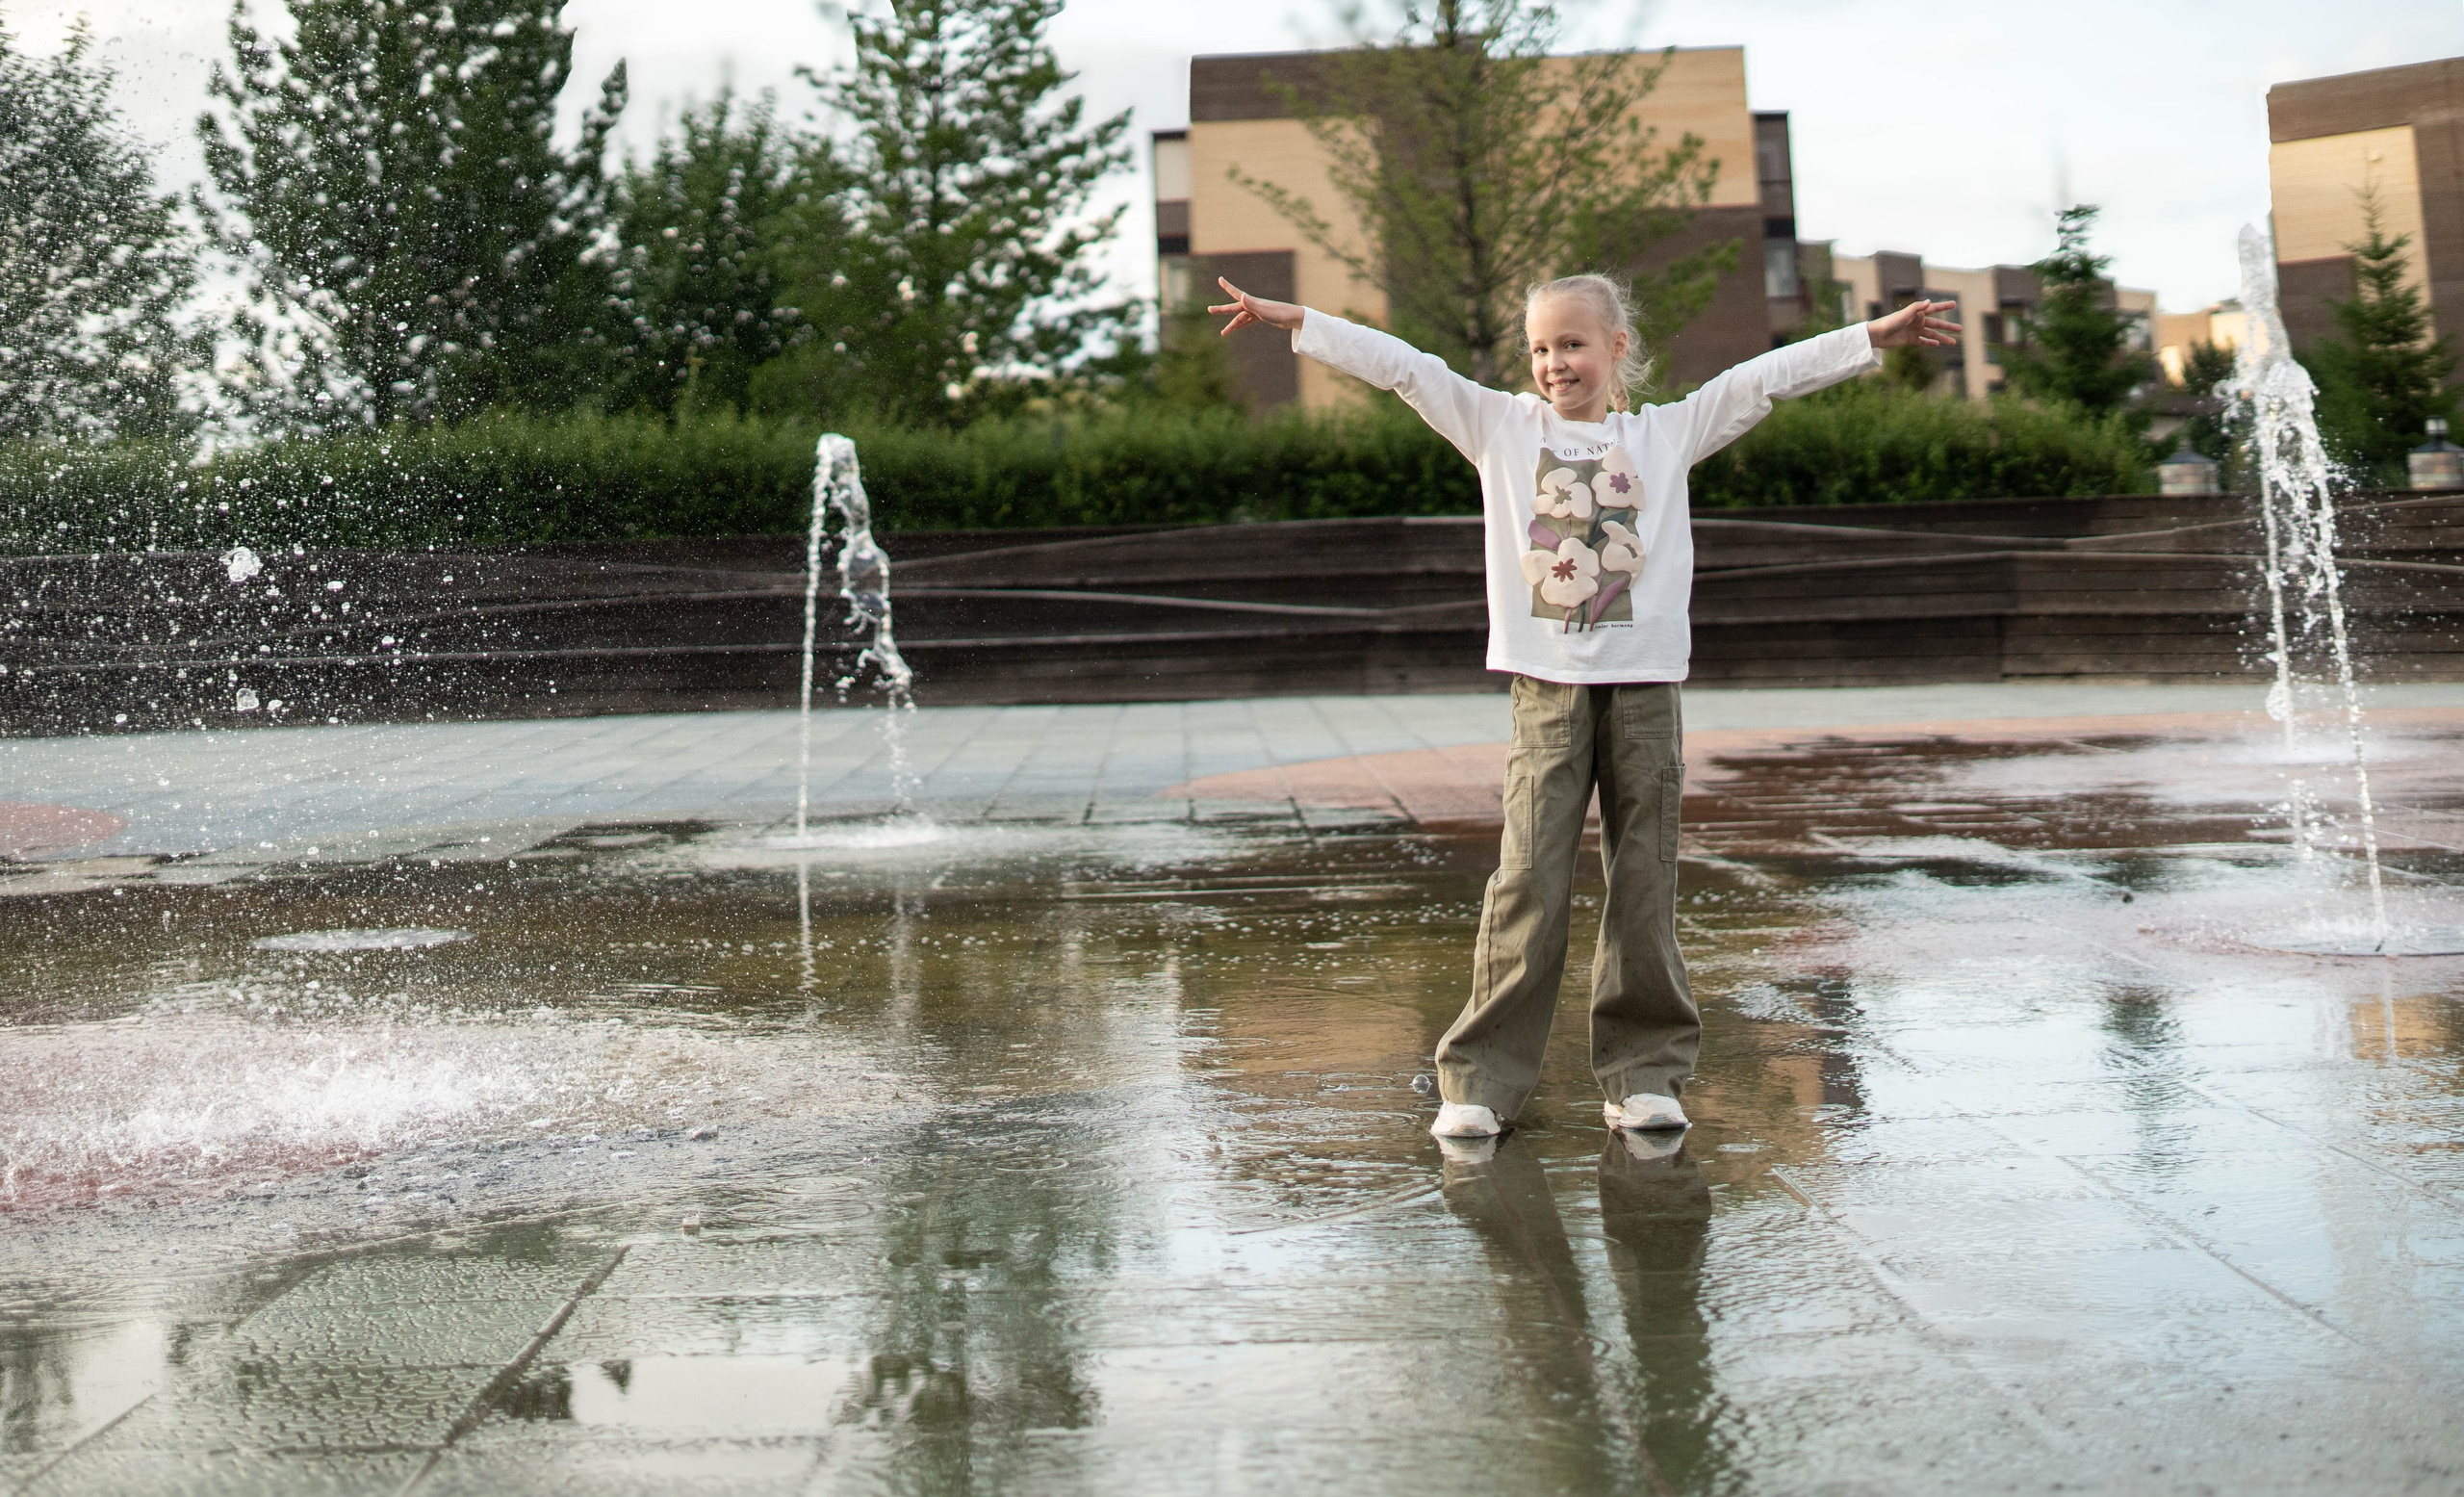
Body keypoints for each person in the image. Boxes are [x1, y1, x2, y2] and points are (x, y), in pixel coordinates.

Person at [1211, 272, 1957, 1140]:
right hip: (1547, 690)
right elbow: (1406, 368)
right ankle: (1481, 1081)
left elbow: (1762, 378)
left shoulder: (1667, 434)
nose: (1553, 362)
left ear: (1615, 348)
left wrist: (1868, 338)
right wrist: (1304, 322)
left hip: (1644, 690)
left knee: (1644, 878)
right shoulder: (1499, 426)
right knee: (1528, 877)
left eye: (1571, 344)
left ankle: (1645, 1072)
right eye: (1538, 347)